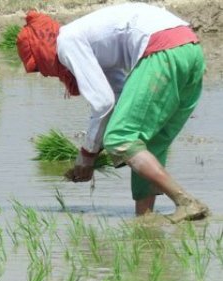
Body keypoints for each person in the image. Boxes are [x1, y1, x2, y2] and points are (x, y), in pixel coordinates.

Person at [17, 3, 209, 222]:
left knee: (120, 138)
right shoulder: (90, 42)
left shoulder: (67, 42)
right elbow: (117, 96)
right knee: (148, 142)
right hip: (189, 49)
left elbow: (103, 104)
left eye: (39, 67)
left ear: (41, 49)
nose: (45, 73)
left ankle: (185, 202)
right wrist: (94, 152)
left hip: (162, 51)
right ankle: (145, 219)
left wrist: (87, 156)